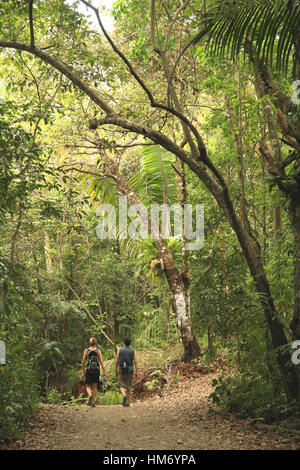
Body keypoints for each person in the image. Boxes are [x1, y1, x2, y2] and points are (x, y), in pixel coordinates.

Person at [82, 337, 107, 407]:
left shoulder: (86, 351)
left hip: (89, 370)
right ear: (96, 343)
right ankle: (93, 402)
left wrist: (84, 372)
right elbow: (101, 362)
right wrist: (104, 372)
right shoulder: (98, 351)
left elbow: (83, 362)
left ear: (90, 343)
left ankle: (90, 396)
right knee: (95, 387)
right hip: (96, 370)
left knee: (88, 386)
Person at [115, 337, 138, 407]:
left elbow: (117, 361)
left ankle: (124, 395)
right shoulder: (133, 350)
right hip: (130, 369)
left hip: (122, 369)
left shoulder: (119, 350)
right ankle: (128, 402)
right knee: (129, 386)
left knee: (121, 385)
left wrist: (115, 370)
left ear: (123, 342)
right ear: (130, 343)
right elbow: (135, 362)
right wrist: (137, 371)